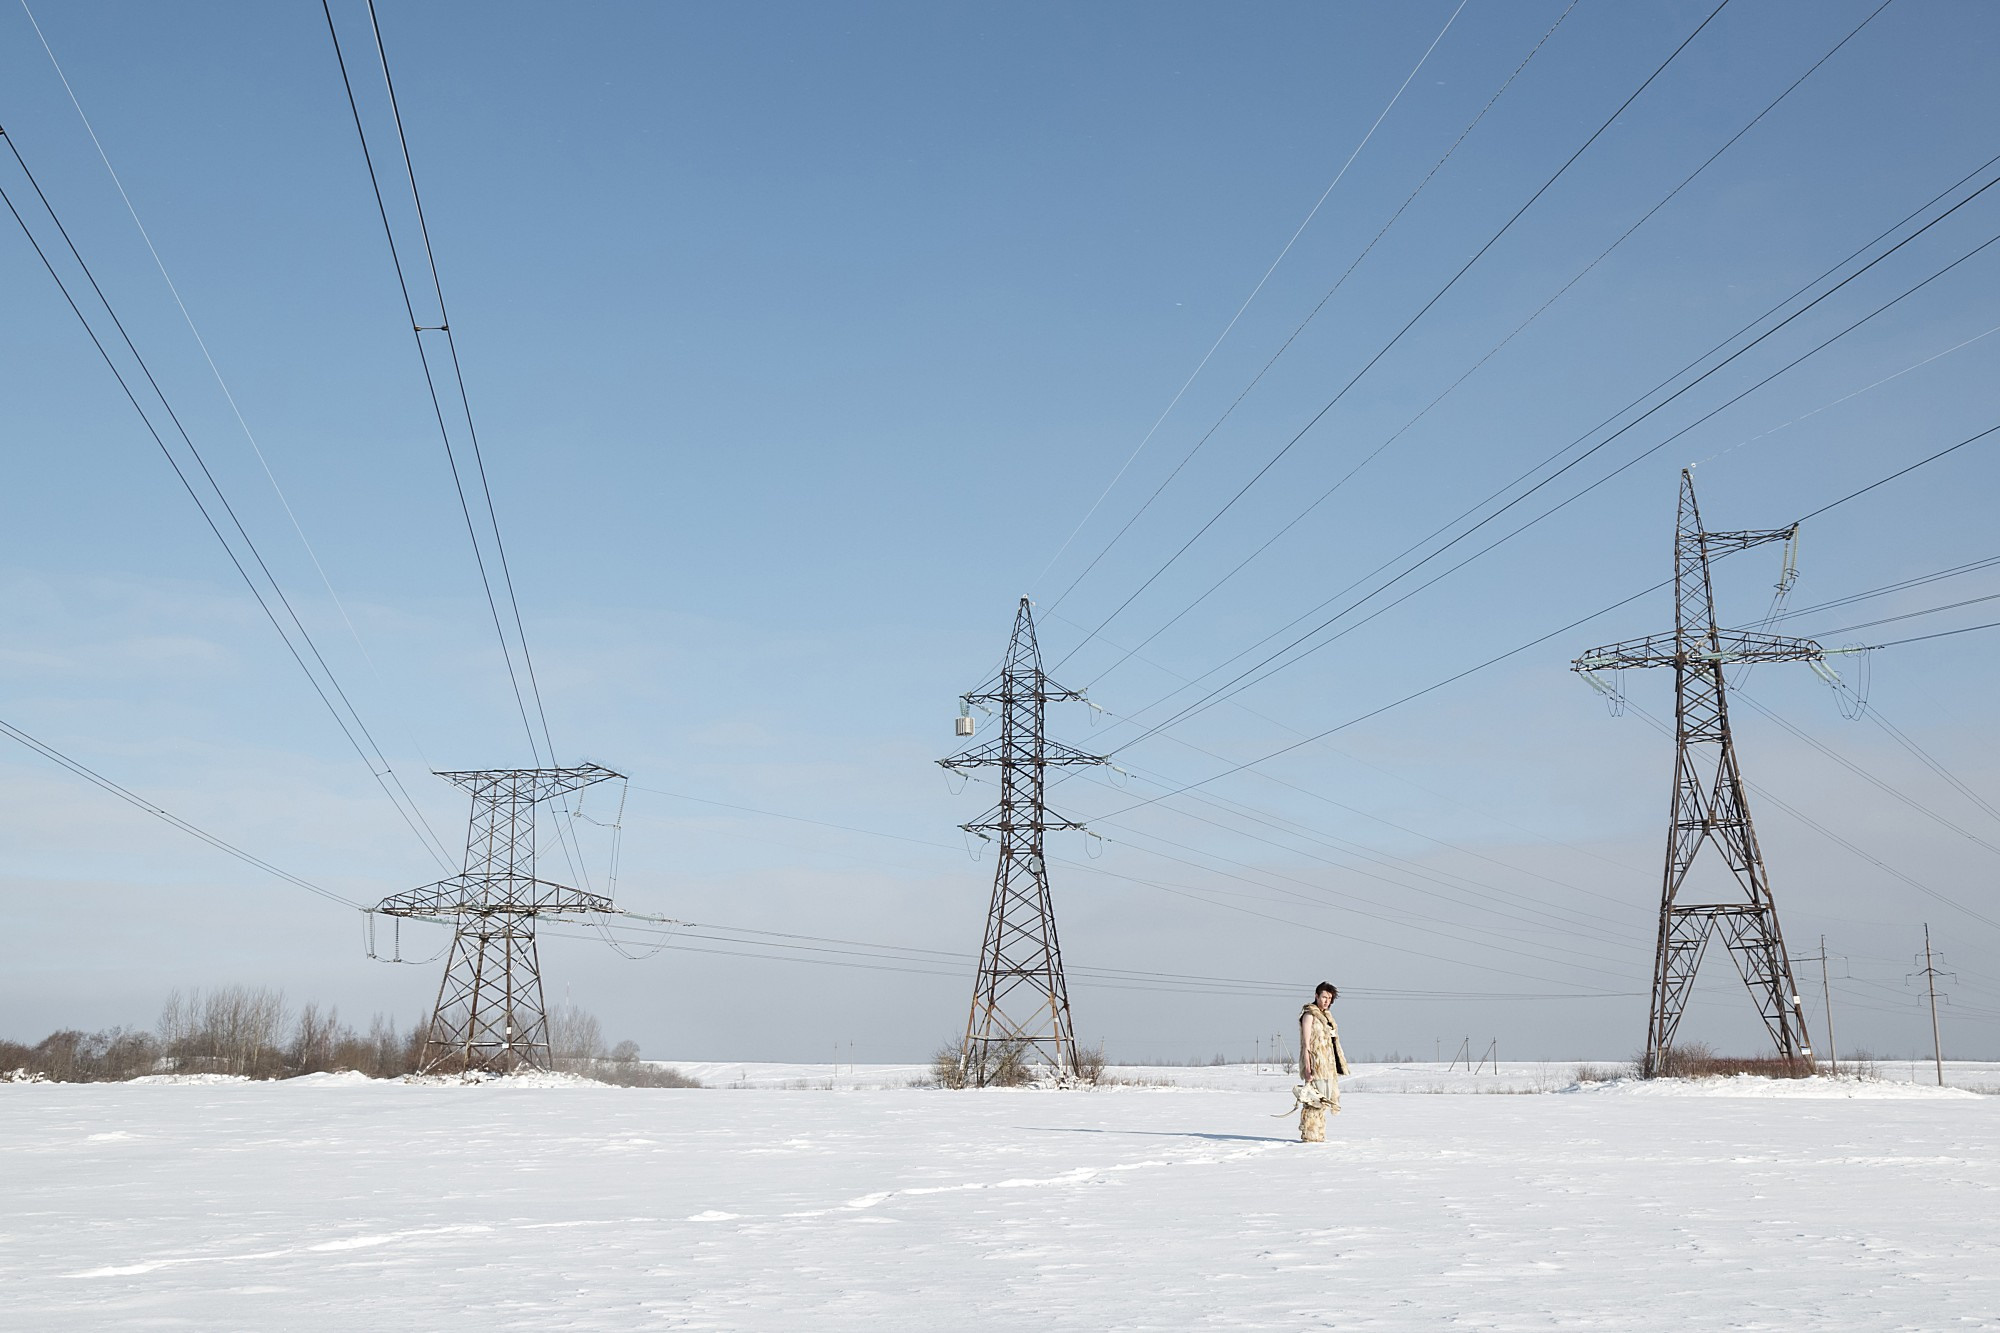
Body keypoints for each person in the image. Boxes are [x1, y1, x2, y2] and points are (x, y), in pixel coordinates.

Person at [1297, 981, 1349, 1143]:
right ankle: (1310, 1135)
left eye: (1329, 998)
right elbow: (1306, 1043)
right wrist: (1307, 1066)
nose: (1326, 1001)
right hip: (1315, 1064)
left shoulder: (1327, 1017)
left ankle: (1318, 1134)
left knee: (1325, 1101)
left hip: (1328, 1065)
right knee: (1314, 1101)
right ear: (1316, 996)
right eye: (1324, 997)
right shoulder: (1309, 1014)